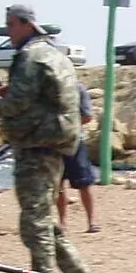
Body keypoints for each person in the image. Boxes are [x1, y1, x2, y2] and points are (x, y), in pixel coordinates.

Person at [0, 4, 91, 273]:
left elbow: (17, 104)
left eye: (11, 26)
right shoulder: (55, 54)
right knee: (40, 213)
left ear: (26, 25)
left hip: (36, 142)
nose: (9, 33)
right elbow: (45, 93)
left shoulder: (29, 56)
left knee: (33, 219)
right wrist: (10, 91)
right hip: (59, 140)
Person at [56, 83, 100, 234]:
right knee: (58, 186)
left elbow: (87, 116)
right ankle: (62, 223)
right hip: (53, 143)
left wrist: (64, 124)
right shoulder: (46, 87)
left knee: (84, 183)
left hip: (74, 142)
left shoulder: (78, 88)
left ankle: (92, 221)